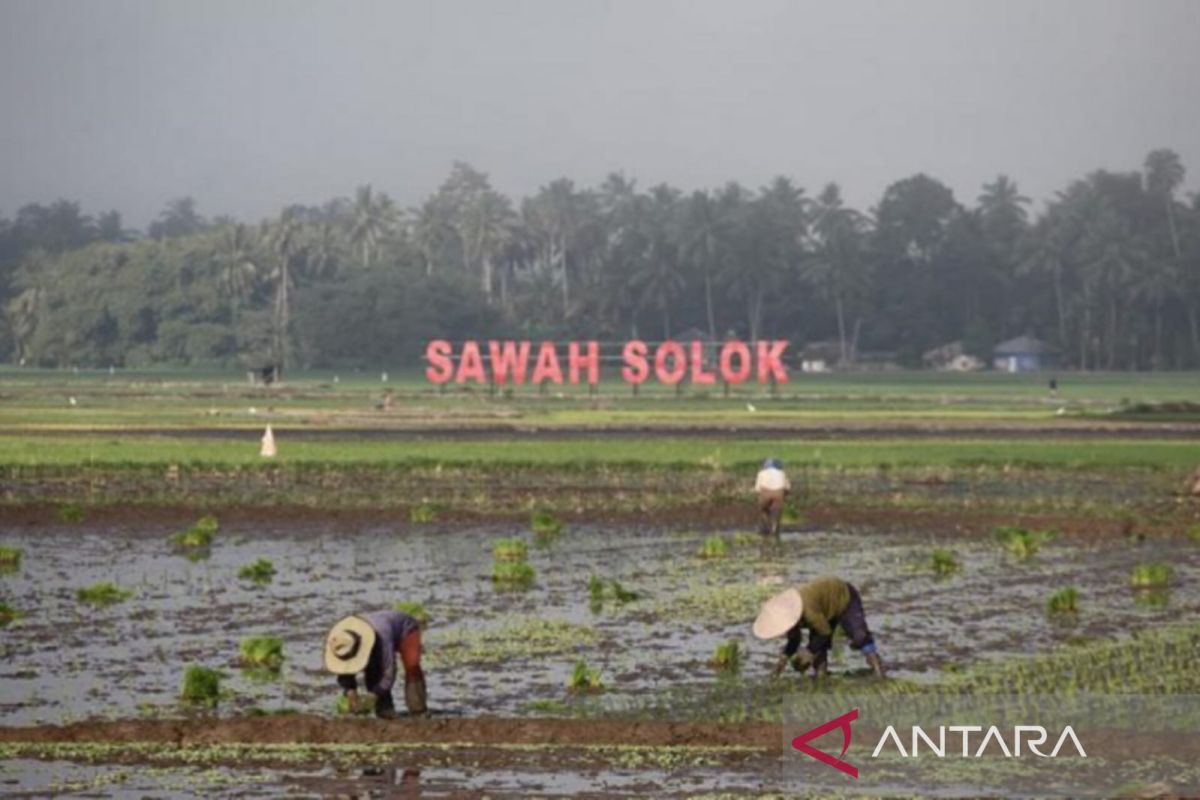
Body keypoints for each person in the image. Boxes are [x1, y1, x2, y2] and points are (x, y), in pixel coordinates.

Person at [752, 575, 886, 679]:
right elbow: (794, 641)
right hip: (824, 608)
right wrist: (781, 663)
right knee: (818, 643)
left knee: (859, 635)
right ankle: (821, 674)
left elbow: (825, 632)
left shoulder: (808, 610)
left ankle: (878, 669)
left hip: (845, 597)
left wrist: (808, 652)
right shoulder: (791, 616)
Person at [325, 610, 427, 718]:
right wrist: (350, 690)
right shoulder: (341, 640)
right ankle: (385, 711)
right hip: (381, 628)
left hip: (405, 630)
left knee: (412, 666)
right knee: (372, 670)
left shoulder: (382, 636)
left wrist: (373, 696)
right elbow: (343, 670)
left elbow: (388, 672)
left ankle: (418, 711)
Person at [754, 458, 791, 536]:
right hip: (779, 493)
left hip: (765, 492)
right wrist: (784, 496)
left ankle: (765, 527)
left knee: (764, 509)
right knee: (777, 513)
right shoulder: (782, 473)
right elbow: (788, 487)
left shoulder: (761, 473)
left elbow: (757, 489)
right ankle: (775, 528)